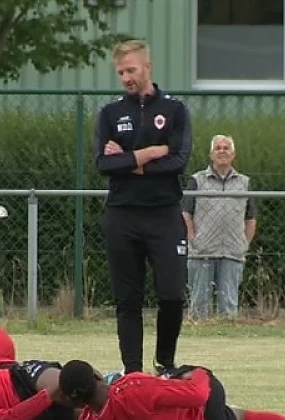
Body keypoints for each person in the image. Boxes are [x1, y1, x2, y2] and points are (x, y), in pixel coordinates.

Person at [94, 38, 193, 376]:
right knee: (127, 299)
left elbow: (178, 160)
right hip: (122, 214)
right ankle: (133, 372)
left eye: (132, 70)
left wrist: (126, 160)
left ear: (148, 67)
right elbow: (102, 165)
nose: (126, 77)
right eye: (121, 72)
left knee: (171, 294)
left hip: (164, 213)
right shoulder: (110, 113)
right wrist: (149, 154)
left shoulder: (175, 110)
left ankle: (165, 363)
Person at [58, 359, 285, 420]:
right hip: (203, 418)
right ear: (98, 376)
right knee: (240, 415)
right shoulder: (134, 388)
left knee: (239, 418)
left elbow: (89, 415)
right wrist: (200, 371)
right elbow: (199, 394)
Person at [181, 134, 257, 319]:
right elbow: (186, 213)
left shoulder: (244, 183)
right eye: (218, 148)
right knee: (198, 306)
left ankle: (227, 336)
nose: (222, 151)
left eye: (226, 148)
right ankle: (199, 337)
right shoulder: (197, 180)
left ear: (233, 154)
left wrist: (244, 244)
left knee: (229, 306)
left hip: (232, 251)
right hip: (202, 250)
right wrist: (193, 238)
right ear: (211, 154)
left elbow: (251, 217)